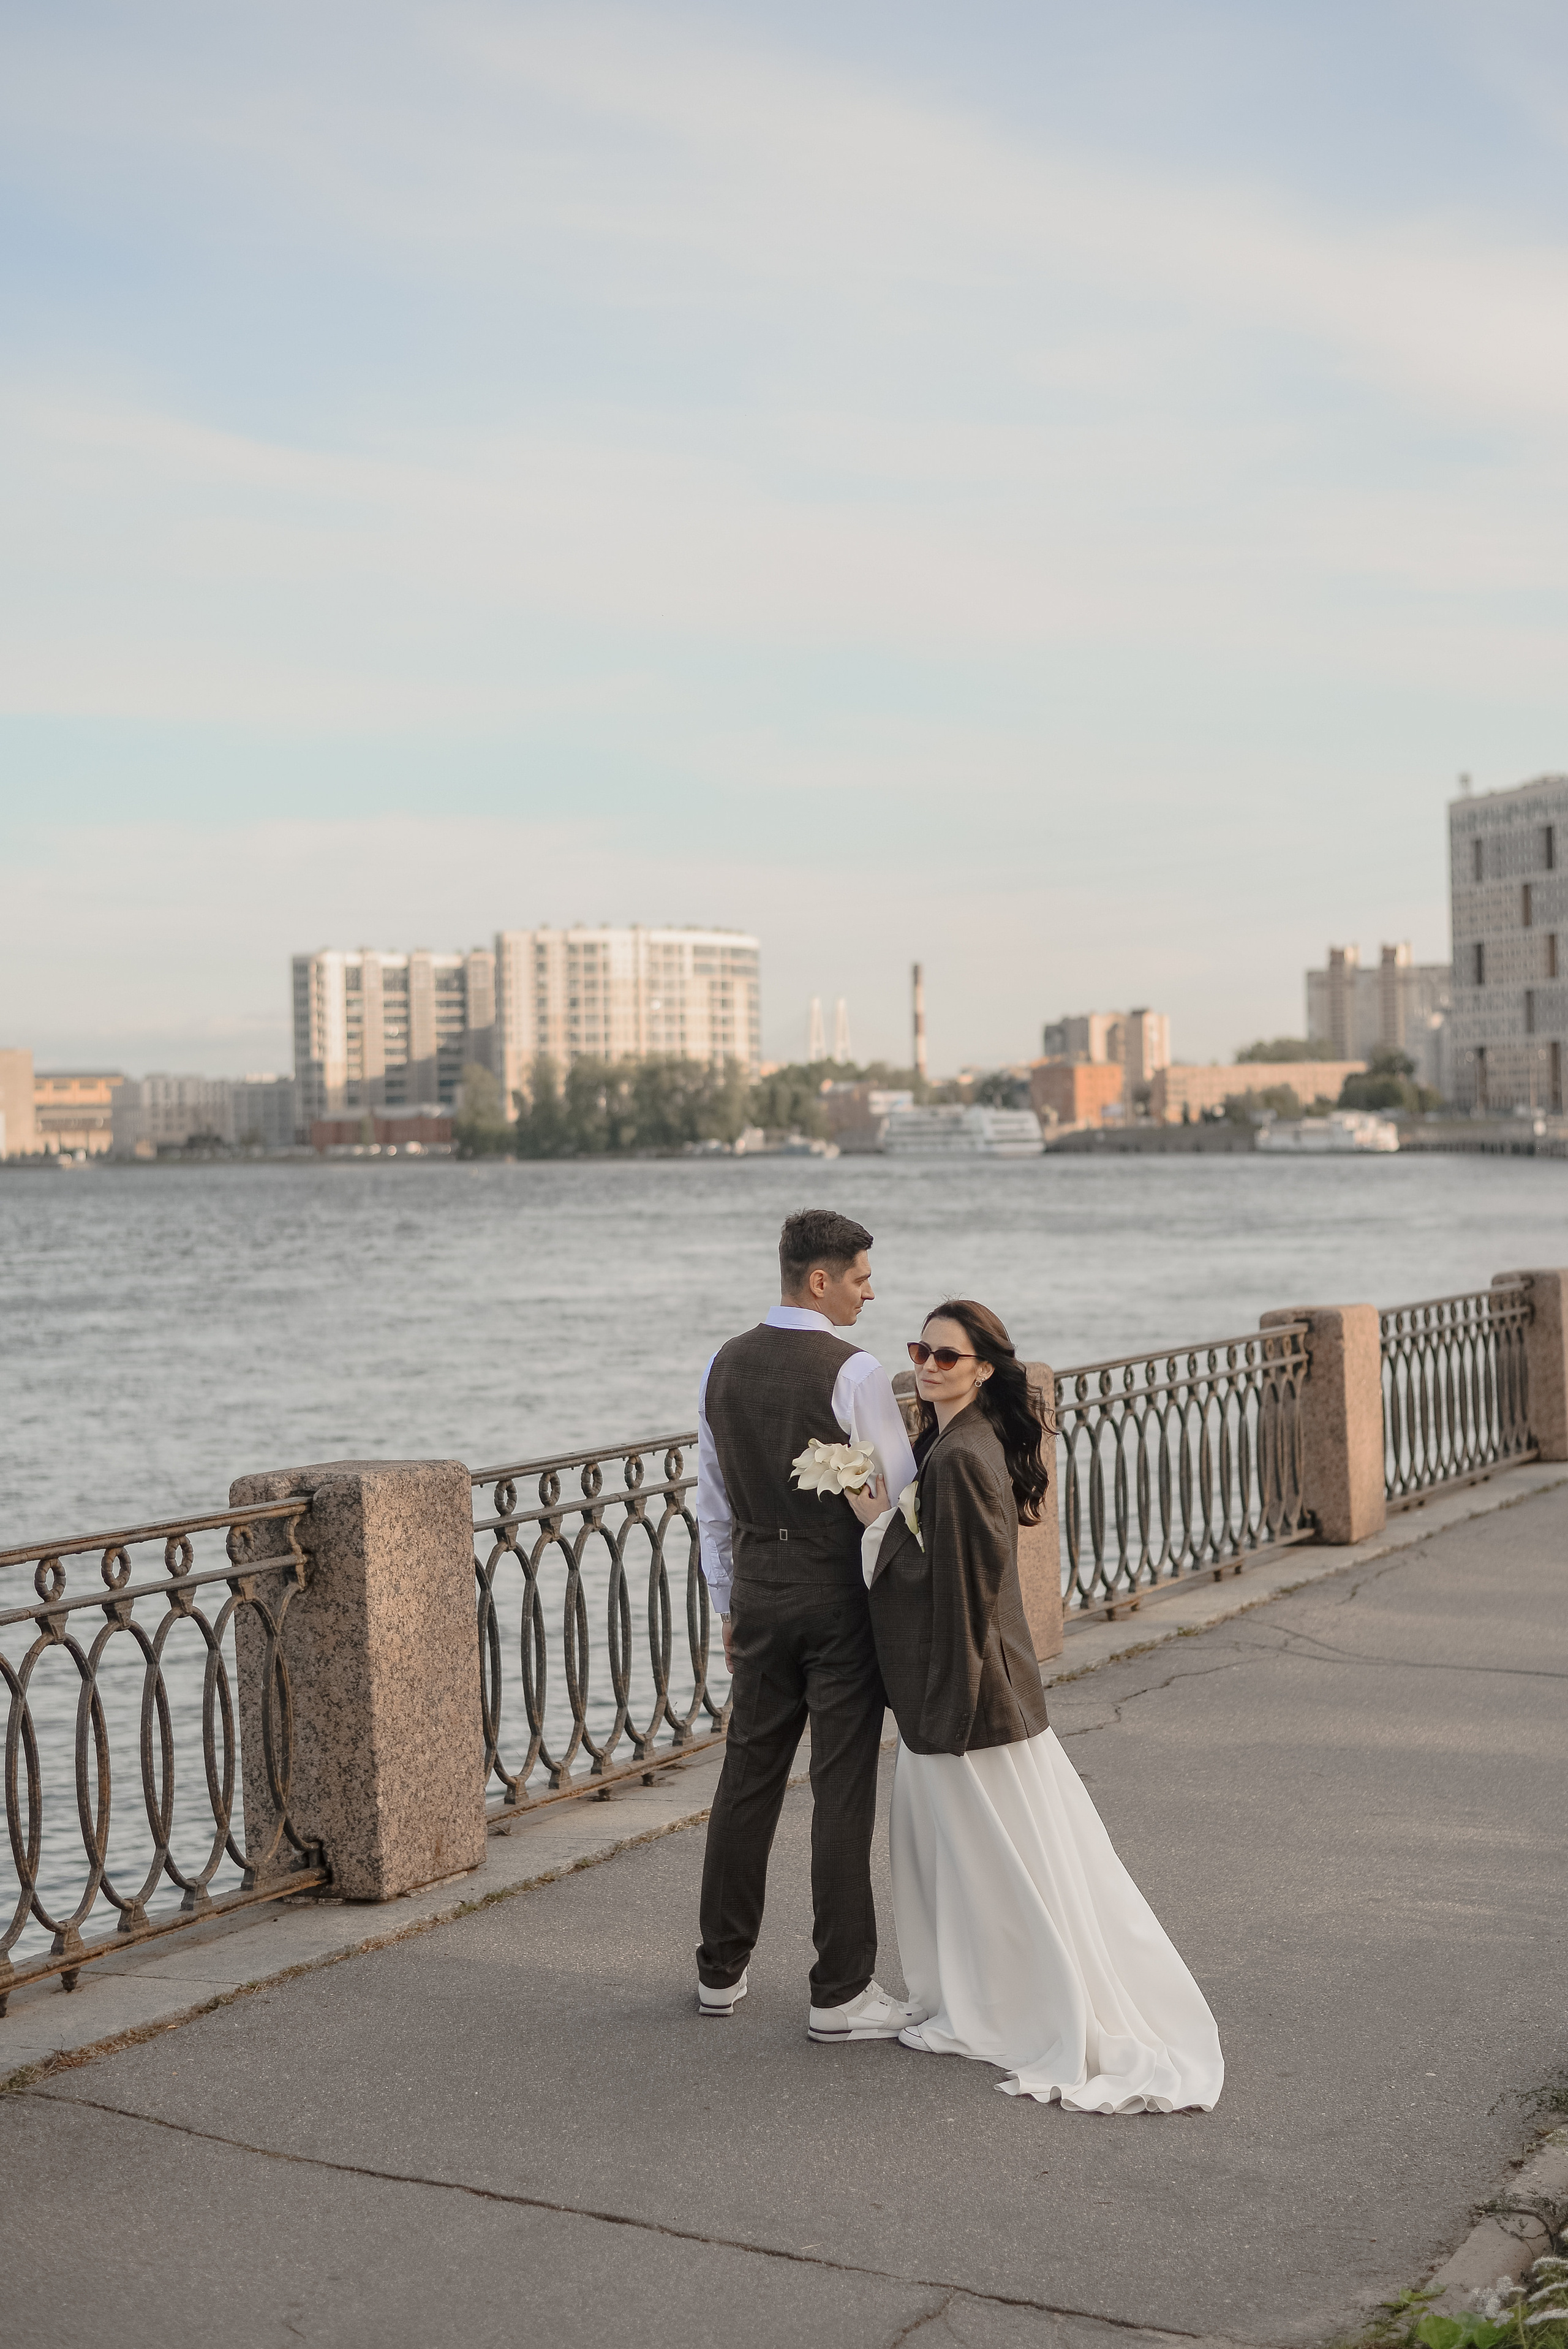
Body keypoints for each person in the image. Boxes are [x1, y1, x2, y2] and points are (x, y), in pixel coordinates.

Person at [847, 1298, 1224, 2114]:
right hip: (987, 1693)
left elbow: (962, 1591)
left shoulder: (958, 1457)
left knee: (996, 1868)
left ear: (984, 1368)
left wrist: (875, 1527)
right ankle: (997, 1997)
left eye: (948, 1356)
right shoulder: (957, 1441)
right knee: (1015, 1863)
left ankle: (1012, 2007)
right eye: (921, 1350)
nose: (928, 1365)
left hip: (968, 1701)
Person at [694, 1208, 923, 2044]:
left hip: (757, 1593)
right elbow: (897, 1497)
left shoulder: (722, 1363)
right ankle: (840, 1990)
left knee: (746, 1777)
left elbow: (711, 1504)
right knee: (841, 1786)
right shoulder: (854, 1369)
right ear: (819, 1280)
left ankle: (719, 1969)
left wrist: (728, 1603)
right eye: (861, 1276)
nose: (871, 1290)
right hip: (835, 1599)